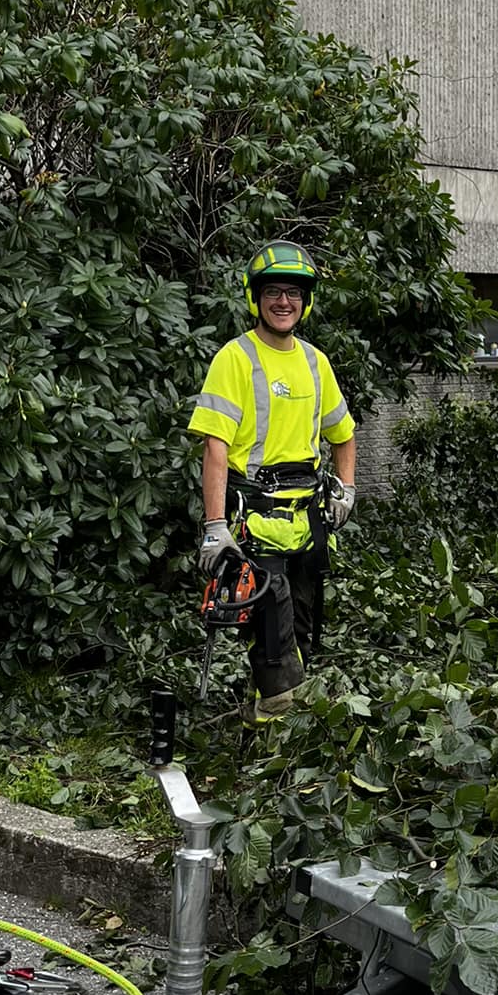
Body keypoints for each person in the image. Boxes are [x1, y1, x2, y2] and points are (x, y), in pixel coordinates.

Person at [189, 242, 357, 718]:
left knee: (299, 631)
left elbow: (343, 435)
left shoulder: (314, 362)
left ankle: (266, 723)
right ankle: (278, 735)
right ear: (255, 298)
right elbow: (215, 448)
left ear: (306, 300)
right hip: (253, 521)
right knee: (273, 639)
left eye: (293, 292)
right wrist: (215, 526)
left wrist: (347, 490)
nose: (284, 302)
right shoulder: (235, 358)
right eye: (273, 292)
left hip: (307, 523)